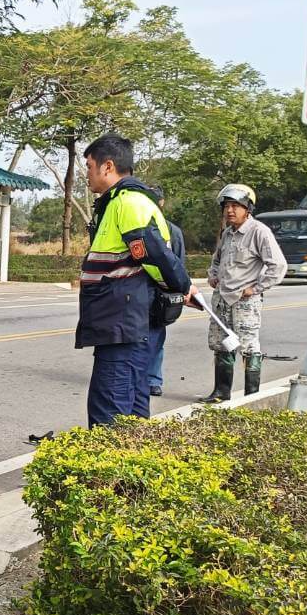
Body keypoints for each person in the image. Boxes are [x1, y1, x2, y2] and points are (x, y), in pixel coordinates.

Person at [76, 134, 193, 427]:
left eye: (89, 166)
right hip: (119, 321)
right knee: (130, 409)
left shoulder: (129, 203)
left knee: (110, 413)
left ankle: (107, 472)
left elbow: (155, 257)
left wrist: (184, 286)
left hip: (124, 323)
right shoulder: (116, 202)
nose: (87, 174)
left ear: (108, 167)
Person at [201, 183, 287, 403]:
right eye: (226, 206)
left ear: (247, 208)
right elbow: (217, 260)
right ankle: (221, 392)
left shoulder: (259, 232)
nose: (230, 210)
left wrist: (256, 288)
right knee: (221, 345)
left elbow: (278, 266)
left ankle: (252, 397)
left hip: (245, 302)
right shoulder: (228, 233)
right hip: (222, 300)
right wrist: (213, 275)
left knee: (248, 348)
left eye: (235, 206)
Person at [146, 186, 188, 398]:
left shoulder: (172, 231)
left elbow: (179, 266)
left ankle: (153, 380)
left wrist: (181, 291)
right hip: (137, 294)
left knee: (155, 338)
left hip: (161, 296)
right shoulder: (136, 227)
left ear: (161, 203)